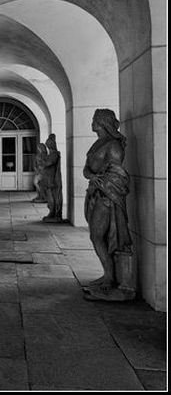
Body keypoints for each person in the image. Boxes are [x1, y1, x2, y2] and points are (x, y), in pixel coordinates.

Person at [82, 109, 135, 300]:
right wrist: (93, 176)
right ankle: (107, 275)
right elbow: (86, 169)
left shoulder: (113, 145)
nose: (92, 123)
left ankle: (110, 278)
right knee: (97, 236)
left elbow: (117, 174)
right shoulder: (98, 143)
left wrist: (101, 182)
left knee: (97, 235)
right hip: (96, 192)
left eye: (95, 120)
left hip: (107, 197)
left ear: (103, 123)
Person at [41, 134, 63, 222]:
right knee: (50, 196)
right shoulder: (52, 154)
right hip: (49, 178)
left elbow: (47, 163)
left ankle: (54, 212)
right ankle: (52, 212)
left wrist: (42, 156)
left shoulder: (54, 155)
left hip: (52, 180)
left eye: (48, 146)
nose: (47, 148)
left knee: (52, 197)